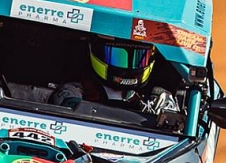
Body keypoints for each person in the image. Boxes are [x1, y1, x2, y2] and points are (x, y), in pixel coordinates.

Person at [53, 35, 181, 124]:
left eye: (137, 59)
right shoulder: (75, 90)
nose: (128, 67)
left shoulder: (158, 99)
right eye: (118, 57)